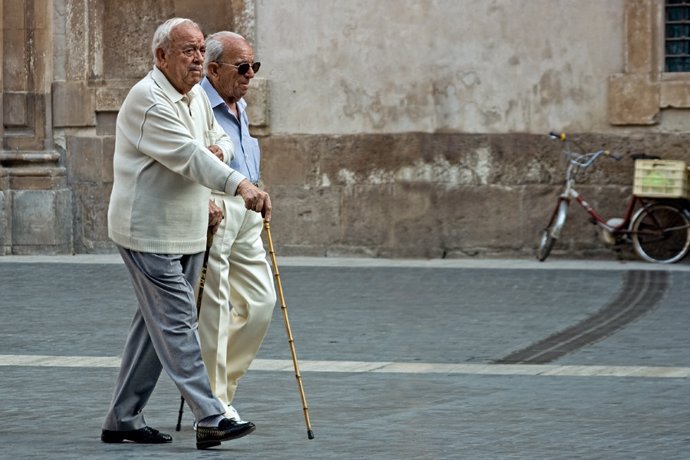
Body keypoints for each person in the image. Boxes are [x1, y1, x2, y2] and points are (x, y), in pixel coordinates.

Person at [100, 17, 269, 450]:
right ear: (161, 57)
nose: (198, 59)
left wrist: (216, 152)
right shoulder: (149, 100)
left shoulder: (194, 95)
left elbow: (220, 141)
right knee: (176, 322)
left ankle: (122, 418)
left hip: (191, 225)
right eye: (188, 51)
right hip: (148, 231)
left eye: (200, 50)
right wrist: (240, 183)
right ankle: (211, 415)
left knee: (154, 327)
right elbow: (189, 157)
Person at [197, 31, 275, 424]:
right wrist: (201, 199)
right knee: (215, 311)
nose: (250, 75)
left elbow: (244, 153)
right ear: (213, 69)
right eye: (242, 67)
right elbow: (189, 160)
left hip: (247, 211)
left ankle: (219, 391)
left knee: (261, 304)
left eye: (254, 67)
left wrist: (259, 188)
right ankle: (212, 406)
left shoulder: (238, 104)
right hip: (217, 210)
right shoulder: (197, 105)